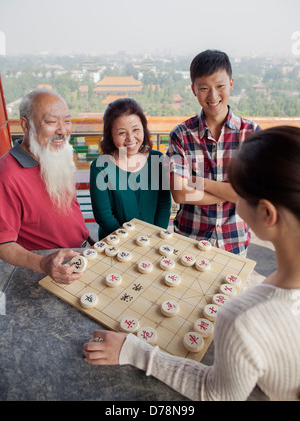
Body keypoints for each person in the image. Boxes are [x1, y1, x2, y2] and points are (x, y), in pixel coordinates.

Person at [83, 126, 300, 401]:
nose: (233, 196)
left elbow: (216, 394)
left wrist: (134, 350)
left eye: (239, 191)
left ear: (267, 214)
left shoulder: (244, 319)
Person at [166, 49, 260, 255]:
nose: (213, 96)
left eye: (220, 86)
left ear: (231, 84)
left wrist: (196, 181)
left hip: (235, 240)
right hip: (189, 240)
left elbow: (252, 194)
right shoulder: (181, 135)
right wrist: (232, 192)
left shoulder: (251, 134)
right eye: (204, 88)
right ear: (193, 89)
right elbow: (180, 193)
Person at [0, 89, 92, 284]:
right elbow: (3, 243)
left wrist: (89, 243)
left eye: (66, 121)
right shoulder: (7, 174)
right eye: (51, 122)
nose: (62, 130)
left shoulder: (56, 156)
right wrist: (43, 264)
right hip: (46, 272)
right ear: (26, 125)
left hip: (80, 257)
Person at [90, 98, 171, 239]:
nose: (130, 138)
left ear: (144, 129)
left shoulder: (157, 160)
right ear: (110, 135)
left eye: (136, 130)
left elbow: (163, 206)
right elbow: (104, 216)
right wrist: (131, 244)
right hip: (114, 243)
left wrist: (156, 238)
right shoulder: (100, 167)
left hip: (153, 240)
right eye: (122, 133)